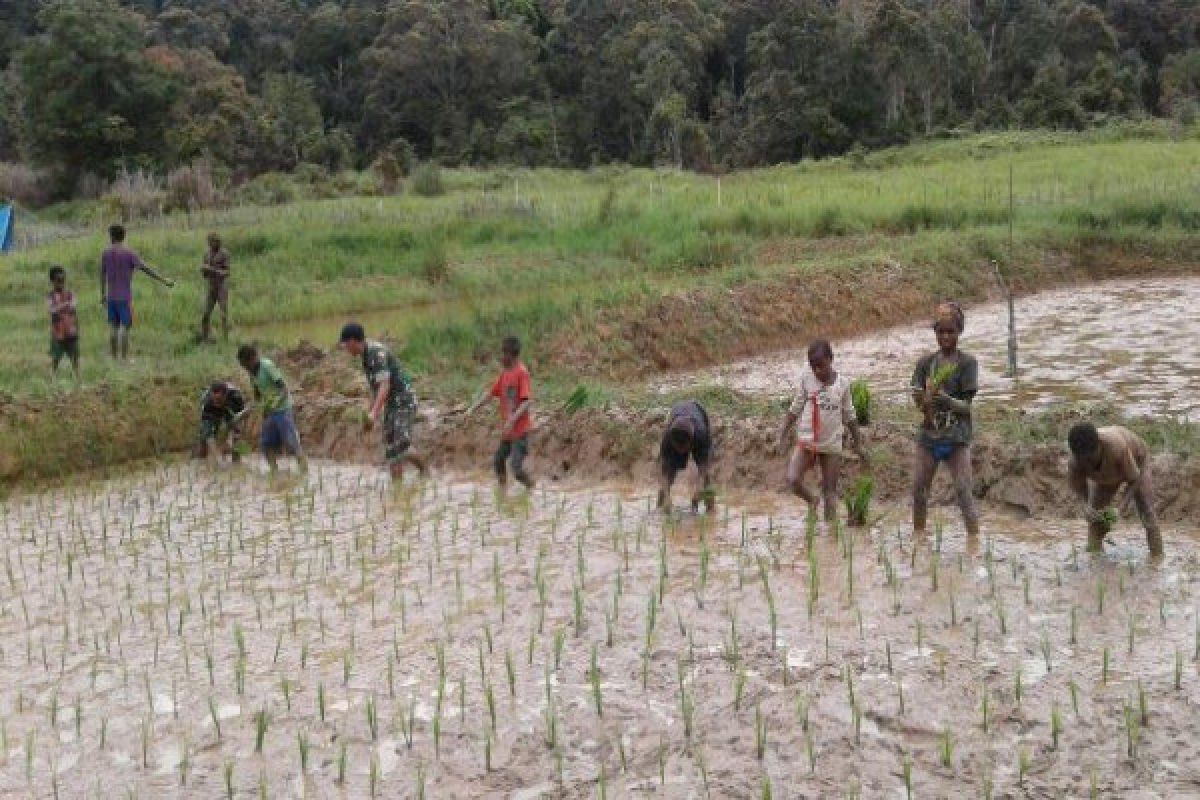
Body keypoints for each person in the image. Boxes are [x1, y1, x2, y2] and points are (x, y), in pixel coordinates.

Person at [778, 339, 866, 526]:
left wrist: (858, 444)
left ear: (831, 360)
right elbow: (796, 407)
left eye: (821, 366)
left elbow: (849, 415)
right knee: (793, 479)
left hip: (831, 444)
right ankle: (811, 500)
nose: (817, 371)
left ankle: (830, 536)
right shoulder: (807, 378)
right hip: (807, 440)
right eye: (813, 367)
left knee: (830, 493)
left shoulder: (842, 384)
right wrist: (782, 433)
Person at [911, 301, 980, 537]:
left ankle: (974, 539)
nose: (946, 336)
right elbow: (918, 402)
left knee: (964, 493)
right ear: (935, 333)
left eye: (951, 331)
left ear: (959, 331)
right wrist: (925, 398)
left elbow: (967, 407)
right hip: (929, 436)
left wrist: (946, 399)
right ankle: (918, 539)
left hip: (956, 437)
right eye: (941, 331)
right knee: (919, 491)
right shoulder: (925, 364)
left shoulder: (967, 364)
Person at [337, 323, 428, 481]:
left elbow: (385, 385)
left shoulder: (376, 353)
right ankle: (397, 491)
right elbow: (376, 388)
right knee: (391, 450)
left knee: (401, 445)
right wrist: (370, 413)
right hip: (392, 404)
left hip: (404, 402)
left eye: (345, 344)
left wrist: (373, 413)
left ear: (353, 341)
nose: (345, 348)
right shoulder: (365, 356)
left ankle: (425, 472)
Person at [1067, 422, 1163, 557]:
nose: (1087, 464)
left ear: (1099, 445)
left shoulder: (1117, 447)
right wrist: (1085, 506)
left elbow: (1134, 479)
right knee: (1095, 518)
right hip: (1106, 475)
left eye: (1090, 459)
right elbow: (1078, 486)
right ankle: (1095, 561)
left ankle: (1157, 557)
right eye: (1082, 460)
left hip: (1137, 463)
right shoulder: (1075, 461)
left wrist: (1120, 508)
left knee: (1146, 510)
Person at [468, 335, 535, 491]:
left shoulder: (521, 373)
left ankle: (531, 487)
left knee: (516, 468)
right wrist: (473, 408)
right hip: (508, 432)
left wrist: (512, 419)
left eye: (503, 354)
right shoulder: (505, 374)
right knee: (498, 460)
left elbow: (527, 401)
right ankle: (502, 491)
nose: (501, 358)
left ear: (510, 355)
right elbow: (491, 393)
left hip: (520, 431)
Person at [100, 223, 174, 360]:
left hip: (111, 296)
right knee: (125, 326)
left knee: (113, 327)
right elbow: (146, 269)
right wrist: (164, 280)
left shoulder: (106, 253)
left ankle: (114, 358)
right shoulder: (129, 253)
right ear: (123, 236)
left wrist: (102, 294)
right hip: (124, 296)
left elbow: (102, 274)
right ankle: (124, 359)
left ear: (112, 236)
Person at [237, 344, 307, 475]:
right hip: (269, 412)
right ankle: (274, 473)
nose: (246, 369)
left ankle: (305, 472)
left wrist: (275, 404)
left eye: (246, 365)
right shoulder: (252, 373)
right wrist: (253, 410)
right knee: (266, 445)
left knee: (292, 443)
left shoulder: (267, 366)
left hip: (282, 409)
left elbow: (283, 388)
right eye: (243, 367)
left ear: (252, 359)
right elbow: (257, 395)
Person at [658, 400, 714, 513]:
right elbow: (663, 472)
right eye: (677, 447)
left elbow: (705, 465)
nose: (681, 451)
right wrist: (666, 494)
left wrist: (699, 486)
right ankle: (661, 505)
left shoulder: (701, 434)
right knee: (670, 471)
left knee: (706, 477)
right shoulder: (667, 438)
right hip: (677, 412)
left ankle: (711, 507)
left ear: (690, 441)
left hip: (698, 410)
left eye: (683, 448)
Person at [196, 381, 247, 466]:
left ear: (225, 395)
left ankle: (236, 461)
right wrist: (219, 460)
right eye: (214, 399)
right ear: (211, 395)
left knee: (236, 432)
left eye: (219, 400)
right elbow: (208, 434)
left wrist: (233, 436)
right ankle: (202, 461)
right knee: (204, 437)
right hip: (212, 411)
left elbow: (242, 418)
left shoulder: (236, 397)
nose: (216, 402)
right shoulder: (207, 401)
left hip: (231, 409)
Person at [48, 266, 80, 381]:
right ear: (52, 281)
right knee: (55, 358)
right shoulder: (51, 296)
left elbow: (73, 305)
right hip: (58, 333)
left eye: (63, 280)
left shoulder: (70, 294)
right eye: (58, 281)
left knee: (75, 358)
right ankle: (52, 379)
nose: (61, 283)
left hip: (71, 331)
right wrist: (65, 305)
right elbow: (51, 309)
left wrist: (63, 306)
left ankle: (78, 379)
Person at [200, 232, 230, 342]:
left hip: (222, 286)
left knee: (223, 314)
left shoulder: (224, 254)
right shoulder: (206, 254)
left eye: (212, 242)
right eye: (209, 242)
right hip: (211, 286)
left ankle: (225, 339)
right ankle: (204, 338)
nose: (210, 244)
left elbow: (227, 272)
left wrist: (212, 270)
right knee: (205, 314)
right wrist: (203, 270)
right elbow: (204, 274)